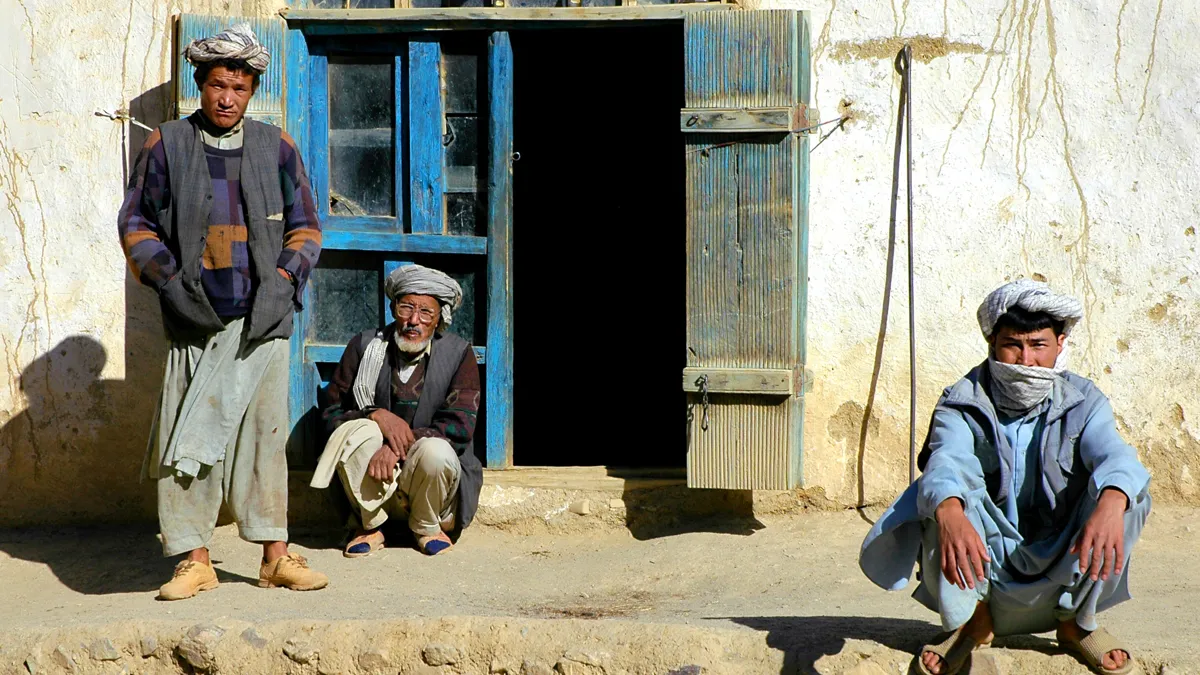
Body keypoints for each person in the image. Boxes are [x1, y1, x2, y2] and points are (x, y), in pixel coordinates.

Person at [118, 23, 326, 600]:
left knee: (265, 441)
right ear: (200, 84)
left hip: (263, 321)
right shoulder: (167, 144)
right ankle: (194, 559)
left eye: (239, 87)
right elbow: (136, 223)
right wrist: (169, 283)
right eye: (217, 85)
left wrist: (283, 280)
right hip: (195, 319)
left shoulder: (276, 146)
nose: (227, 98)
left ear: (253, 89)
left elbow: (307, 227)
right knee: (189, 440)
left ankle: (275, 556)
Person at [859, 280, 1151, 675]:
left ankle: (1076, 624)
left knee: (1128, 493)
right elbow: (946, 460)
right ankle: (973, 621)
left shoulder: (1085, 400)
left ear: (1060, 343)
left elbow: (1115, 454)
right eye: (1013, 345)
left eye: (1038, 345)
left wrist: (1112, 502)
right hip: (985, 562)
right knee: (938, 496)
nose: (1026, 360)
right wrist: (950, 512)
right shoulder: (961, 400)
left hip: (1063, 555)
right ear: (992, 342)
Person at [311, 264, 483, 557]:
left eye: (426, 312)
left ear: (439, 318)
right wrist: (375, 415)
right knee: (356, 432)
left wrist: (397, 445)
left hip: (427, 482)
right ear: (393, 309)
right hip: (371, 477)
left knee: (436, 451)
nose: (414, 321)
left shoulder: (458, 354)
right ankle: (370, 525)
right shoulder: (364, 346)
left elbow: (460, 425)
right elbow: (331, 413)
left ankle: (427, 526)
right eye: (406, 308)